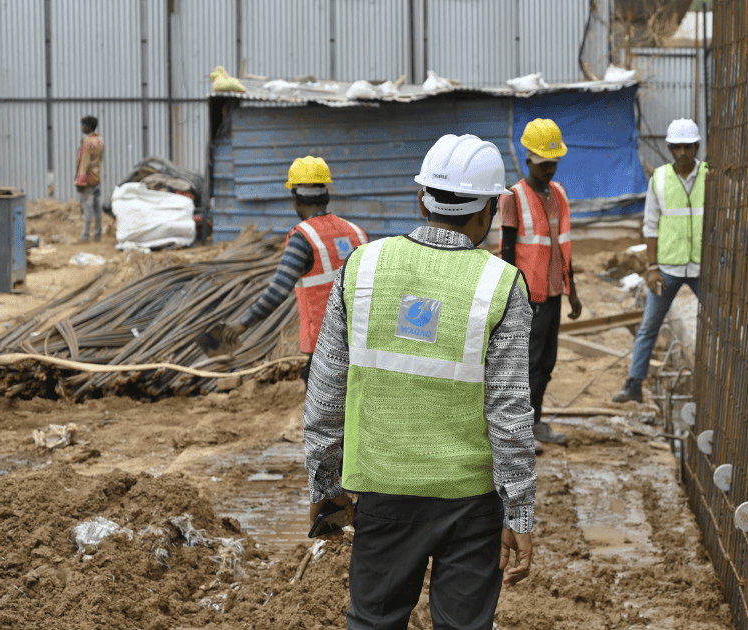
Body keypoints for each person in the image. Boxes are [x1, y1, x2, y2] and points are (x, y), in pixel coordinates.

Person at [303, 134, 536, 629]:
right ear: (490, 211)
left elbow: (325, 392)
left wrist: (324, 486)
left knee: (374, 621)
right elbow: (509, 410)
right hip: (471, 505)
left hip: (384, 492)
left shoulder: (362, 267)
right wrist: (519, 512)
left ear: (421, 199)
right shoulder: (502, 284)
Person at [220, 157, 367, 380]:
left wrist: (242, 323)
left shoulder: (303, 238)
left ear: (296, 200)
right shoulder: (357, 232)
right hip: (361, 340)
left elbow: (278, 291)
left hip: (325, 343)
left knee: (323, 410)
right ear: (326, 196)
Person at [499, 118, 582, 450]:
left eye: (554, 162)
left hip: (553, 292)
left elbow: (563, 246)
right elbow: (506, 252)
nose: (550, 168)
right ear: (529, 158)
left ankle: (535, 420)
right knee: (527, 362)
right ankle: (523, 428)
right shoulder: (513, 197)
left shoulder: (559, 193)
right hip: (528, 295)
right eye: (545, 162)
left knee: (546, 361)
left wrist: (573, 289)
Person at [613, 119, 707, 403]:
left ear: (696, 146)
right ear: (669, 148)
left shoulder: (710, 176)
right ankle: (634, 383)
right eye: (677, 147)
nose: (682, 152)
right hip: (668, 268)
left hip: (704, 267)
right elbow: (651, 227)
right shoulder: (660, 179)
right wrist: (652, 268)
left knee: (722, 326)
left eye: (688, 146)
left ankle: (730, 377)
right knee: (649, 326)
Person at [75, 115, 105, 243]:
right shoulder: (100, 140)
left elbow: (84, 162)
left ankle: (85, 236)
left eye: (83, 125)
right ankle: (98, 235)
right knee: (97, 208)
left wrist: (79, 180)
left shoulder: (87, 141)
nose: (82, 128)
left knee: (87, 207)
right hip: (96, 178)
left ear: (88, 126)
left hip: (87, 180)